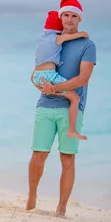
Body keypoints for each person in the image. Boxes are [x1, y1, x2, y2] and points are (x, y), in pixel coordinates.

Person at [26, 0, 97, 217]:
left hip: (71, 110)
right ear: (60, 17)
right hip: (45, 106)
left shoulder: (87, 45)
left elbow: (83, 78)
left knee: (67, 158)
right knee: (38, 154)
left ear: (79, 19)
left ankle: (62, 208)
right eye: (65, 15)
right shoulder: (52, 40)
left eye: (73, 15)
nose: (69, 19)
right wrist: (38, 84)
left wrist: (55, 88)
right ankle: (31, 196)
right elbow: (36, 71)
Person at [32, 10, 90, 140]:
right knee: (75, 98)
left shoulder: (40, 39)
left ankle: (55, 92)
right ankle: (72, 130)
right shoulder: (57, 38)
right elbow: (70, 37)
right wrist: (83, 34)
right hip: (49, 75)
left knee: (58, 91)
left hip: (37, 76)